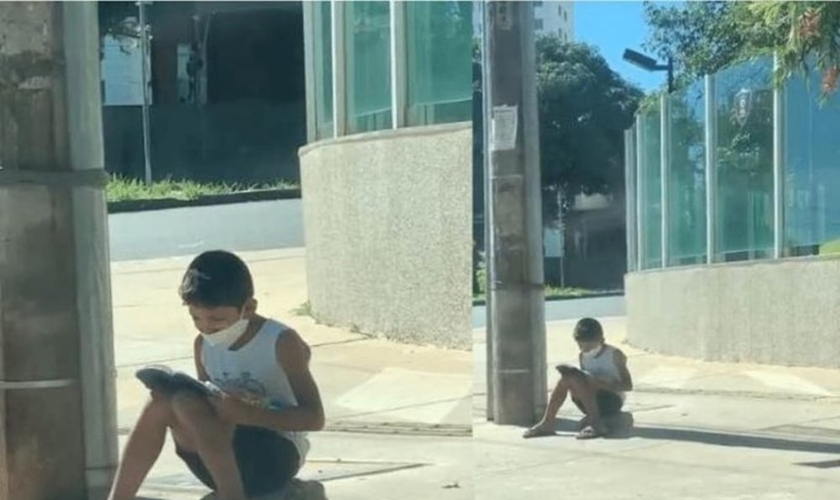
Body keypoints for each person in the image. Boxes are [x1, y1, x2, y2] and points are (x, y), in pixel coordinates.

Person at [107, 250, 325, 500]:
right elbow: (202, 419)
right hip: (217, 459)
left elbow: (315, 418)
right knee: (163, 400)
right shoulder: (203, 345)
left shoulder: (280, 341)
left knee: (185, 404)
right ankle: (119, 497)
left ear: (249, 308)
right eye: (196, 318)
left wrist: (249, 414)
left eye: (217, 319)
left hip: (274, 457)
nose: (205, 327)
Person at [523, 317, 632, 440]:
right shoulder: (582, 356)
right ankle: (547, 422)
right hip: (588, 400)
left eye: (589, 346)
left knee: (581, 381)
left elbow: (628, 385)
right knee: (567, 379)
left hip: (611, 400)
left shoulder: (615, 355)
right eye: (581, 346)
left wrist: (601, 383)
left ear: (601, 340)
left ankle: (596, 423)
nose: (585, 349)